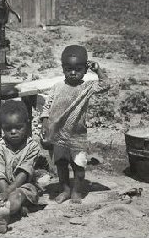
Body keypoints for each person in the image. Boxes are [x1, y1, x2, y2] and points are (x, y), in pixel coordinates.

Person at [39, 45, 109, 204]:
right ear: (63, 69)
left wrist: (97, 70)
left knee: (79, 166)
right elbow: (47, 106)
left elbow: (106, 85)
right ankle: (65, 190)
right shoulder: (57, 87)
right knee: (61, 164)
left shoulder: (87, 87)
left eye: (78, 69)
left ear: (85, 70)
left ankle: (77, 191)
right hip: (58, 134)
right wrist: (44, 121)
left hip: (77, 135)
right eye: (69, 69)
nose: (73, 72)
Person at [0, 100, 42, 233]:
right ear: (2, 127)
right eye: (8, 129)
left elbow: (24, 174)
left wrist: (8, 192)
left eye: (18, 127)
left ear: (27, 123)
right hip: (1, 187)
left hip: (24, 186)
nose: (13, 132)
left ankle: (3, 213)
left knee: (19, 195)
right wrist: (4, 192)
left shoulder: (32, 147)